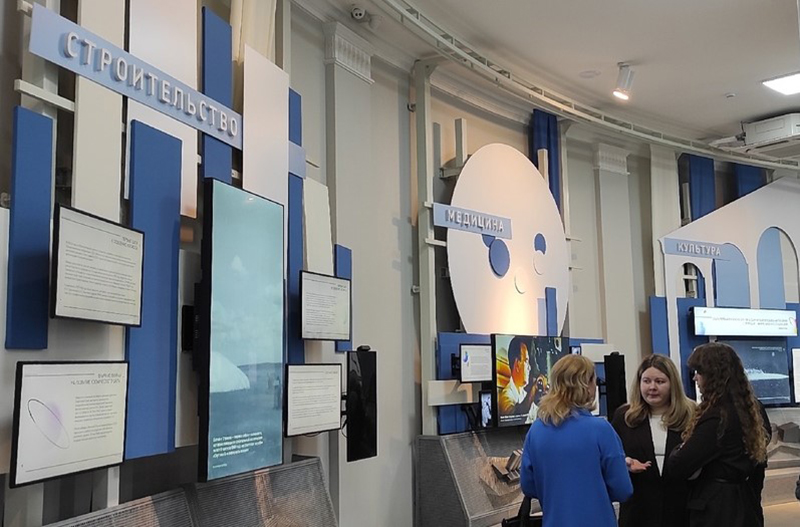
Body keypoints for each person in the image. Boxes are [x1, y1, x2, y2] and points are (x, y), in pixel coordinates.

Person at [520, 354, 632, 527]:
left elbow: (528, 486)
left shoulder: (536, 431)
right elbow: (622, 490)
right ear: (586, 386)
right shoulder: (601, 430)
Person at [665, 343, 768, 527]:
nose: (695, 378)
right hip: (745, 504)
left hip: (717, 509)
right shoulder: (752, 409)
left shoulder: (718, 416)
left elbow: (679, 465)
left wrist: (678, 449)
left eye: (699, 372)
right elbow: (759, 464)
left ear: (713, 375)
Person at [611, 354, 695, 527]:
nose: (652, 387)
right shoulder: (624, 417)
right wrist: (625, 463)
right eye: (646, 381)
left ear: (673, 384)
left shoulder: (691, 415)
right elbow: (610, 459)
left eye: (660, 381)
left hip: (682, 512)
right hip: (638, 512)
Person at [499, 340, 531, 414]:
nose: (529, 367)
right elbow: (515, 414)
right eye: (526, 361)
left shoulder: (524, 394)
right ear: (517, 364)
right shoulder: (506, 396)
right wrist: (533, 391)